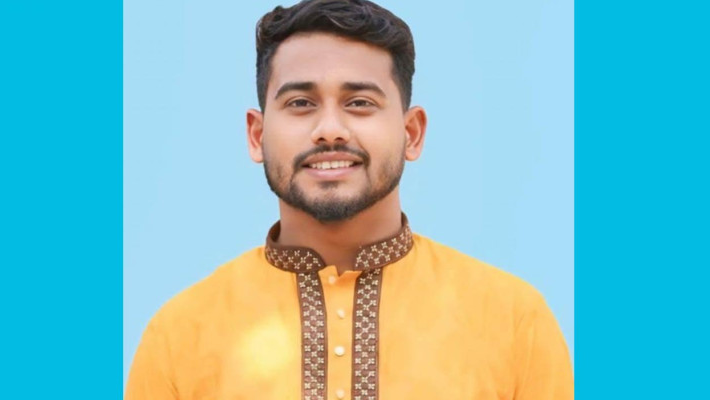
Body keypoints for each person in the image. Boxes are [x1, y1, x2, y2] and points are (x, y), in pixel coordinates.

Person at [125, 0, 574, 399]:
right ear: (257, 135)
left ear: (412, 133)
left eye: (359, 102)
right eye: (300, 103)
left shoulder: (514, 321)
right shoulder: (179, 334)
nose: (330, 130)